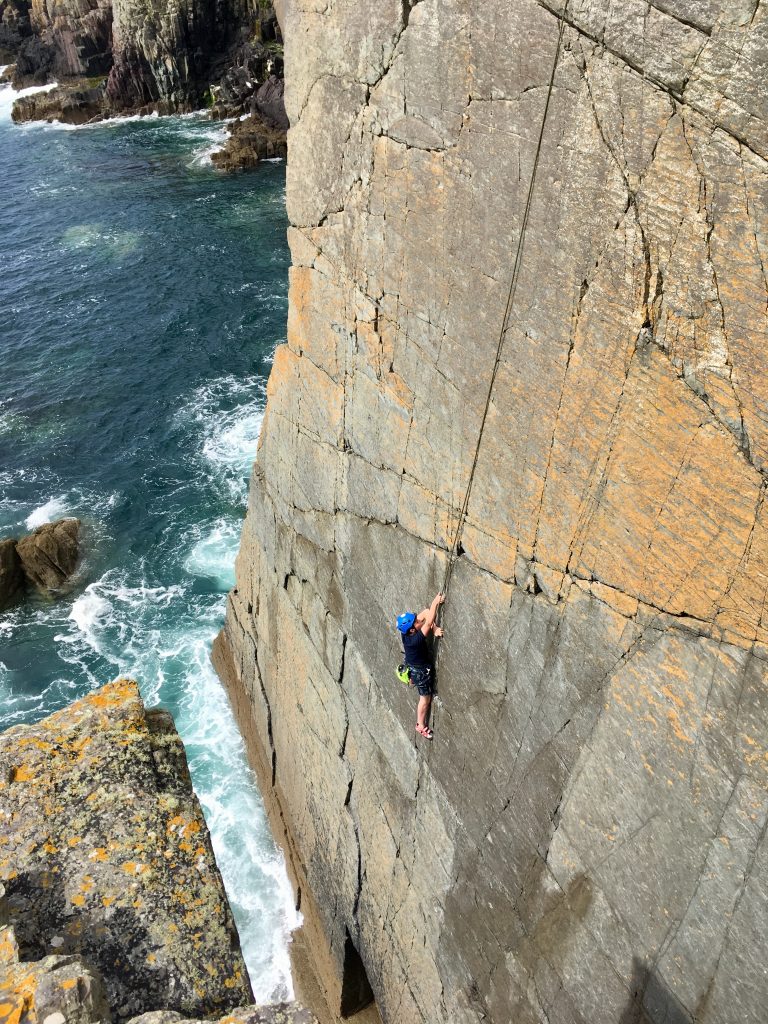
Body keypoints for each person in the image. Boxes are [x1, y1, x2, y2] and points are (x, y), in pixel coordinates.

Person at [396, 592, 444, 740]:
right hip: (420, 672)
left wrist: (434, 629)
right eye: (415, 622)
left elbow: (425, 613)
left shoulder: (407, 633)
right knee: (425, 700)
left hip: (415, 664)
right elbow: (427, 620)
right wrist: (435, 602)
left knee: (425, 698)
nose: (418, 620)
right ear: (412, 630)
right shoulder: (414, 640)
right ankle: (420, 725)